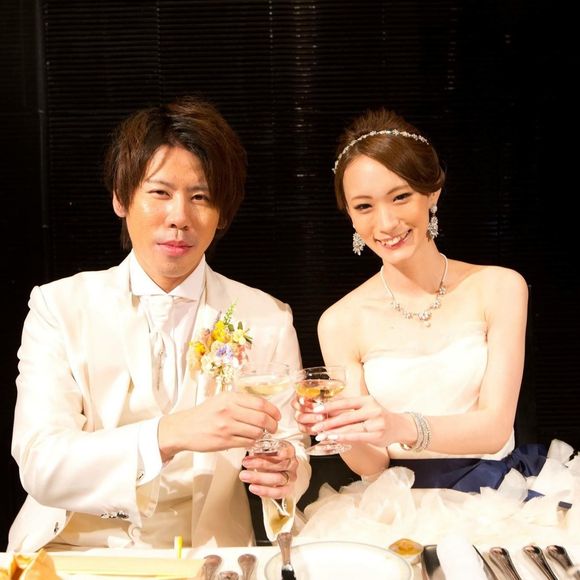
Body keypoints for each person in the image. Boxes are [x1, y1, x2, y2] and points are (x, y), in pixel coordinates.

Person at [9, 96, 311, 553]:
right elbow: (40, 463)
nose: (179, 217)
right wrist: (169, 433)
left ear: (222, 212)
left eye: (200, 197)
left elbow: (292, 446)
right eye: (160, 192)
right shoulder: (59, 307)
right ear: (121, 197)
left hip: (210, 554)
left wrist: (287, 472)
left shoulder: (266, 317)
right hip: (72, 550)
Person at [293, 108, 579, 548]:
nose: (385, 223)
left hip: (495, 498)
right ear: (349, 215)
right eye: (364, 206)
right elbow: (372, 465)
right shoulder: (339, 321)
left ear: (433, 193)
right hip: (395, 509)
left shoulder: (499, 287)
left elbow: (495, 428)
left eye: (400, 197)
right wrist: (339, 431)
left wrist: (397, 425)